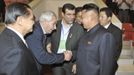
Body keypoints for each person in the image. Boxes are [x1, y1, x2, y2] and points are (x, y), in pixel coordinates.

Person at [77, 3, 117, 75]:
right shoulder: (85, 33)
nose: (81, 21)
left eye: (82, 18)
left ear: (90, 18)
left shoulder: (105, 35)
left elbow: (107, 68)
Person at [0, 2, 39, 75]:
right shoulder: (16, 51)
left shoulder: (5, 34)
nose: (34, 22)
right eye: (32, 19)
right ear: (20, 21)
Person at [49, 3, 84, 75]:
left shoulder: (79, 29)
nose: (72, 17)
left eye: (73, 14)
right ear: (62, 14)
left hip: (71, 62)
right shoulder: (55, 25)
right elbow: (47, 37)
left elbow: (82, 49)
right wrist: (48, 45)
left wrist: (77, 63)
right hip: (57, 61)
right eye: (69, 14)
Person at [99, 7, 122, 74]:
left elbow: (117, 50)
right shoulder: (97, 29)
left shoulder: (116, 31)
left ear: (109, 18)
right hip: (96, 66)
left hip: (109, 66)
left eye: (102, 17)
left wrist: (108, 64)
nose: (99, 19)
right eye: (99, 16)